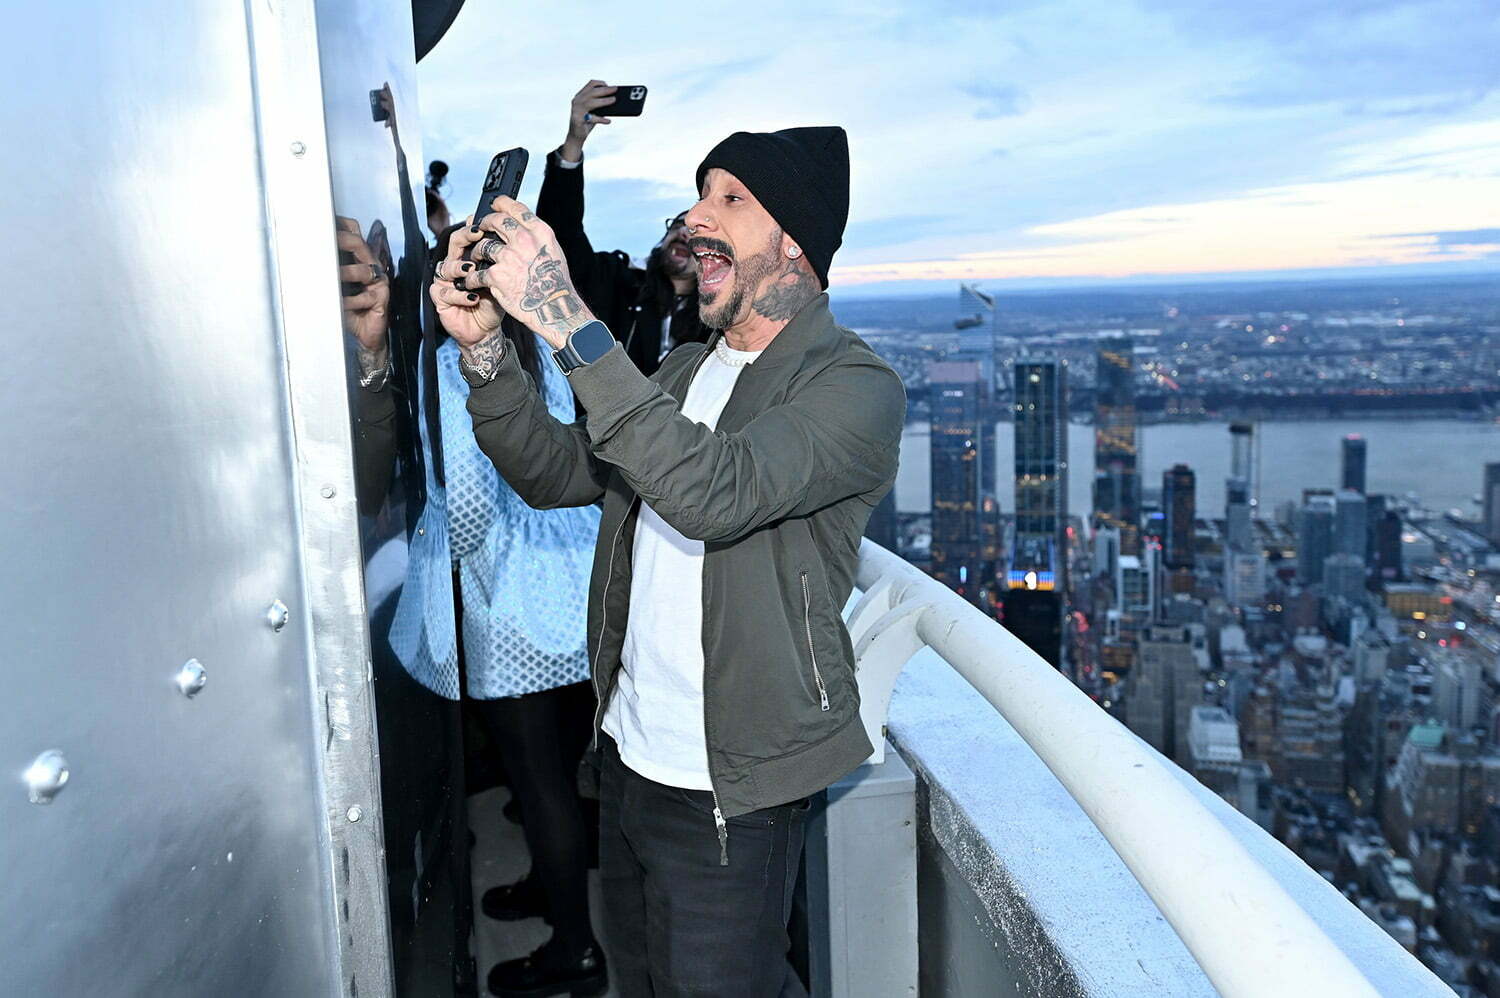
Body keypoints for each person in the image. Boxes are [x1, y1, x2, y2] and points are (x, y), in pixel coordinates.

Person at [430, 125, 906, 998]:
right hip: (632, 758)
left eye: (730, 199)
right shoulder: (686, 368)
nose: (694, 217)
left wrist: (566, 317)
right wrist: (486, 352)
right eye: (699, 194)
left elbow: (714, 491)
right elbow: (555, 470)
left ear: (794, 243)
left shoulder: (854, 386)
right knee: (647, 979)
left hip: (730, 788)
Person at [534, 80, 706, 375]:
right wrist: (574, 143)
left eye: (696, 232)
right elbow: (561, 236)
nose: (683, 233)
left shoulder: (717, 316)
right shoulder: (621, 282)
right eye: (679, 225)